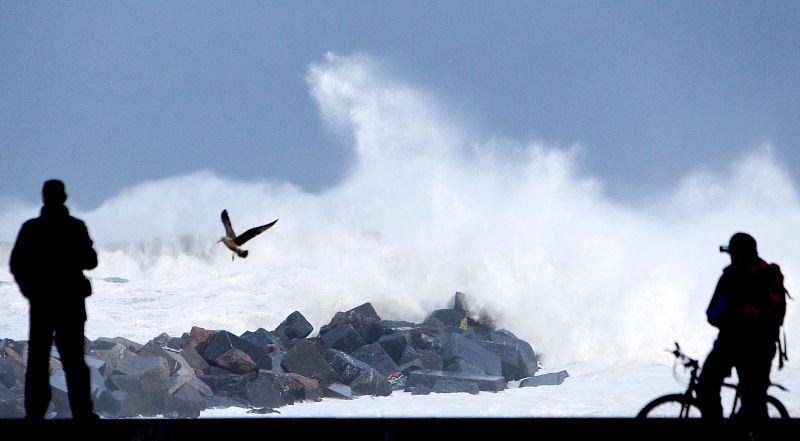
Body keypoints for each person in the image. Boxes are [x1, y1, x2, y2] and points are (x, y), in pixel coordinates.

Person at [9, 179, 99, 420]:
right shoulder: (76, 227)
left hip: (42, 302)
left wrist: (30, 290)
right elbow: (91, 261)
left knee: (38, 362)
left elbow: (16, 265)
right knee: (74, 361)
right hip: (70, 302)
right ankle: (82, 414)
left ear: (43, 198)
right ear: (64, 197)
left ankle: (34, 415)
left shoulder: (31, 228)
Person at [696, 232, 787, 426]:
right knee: (753, 401)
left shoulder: (733, 275)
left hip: (732, 345)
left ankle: (716, 431)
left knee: (706, 387)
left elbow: (714, 314)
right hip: (761, 348)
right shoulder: (768, 274)